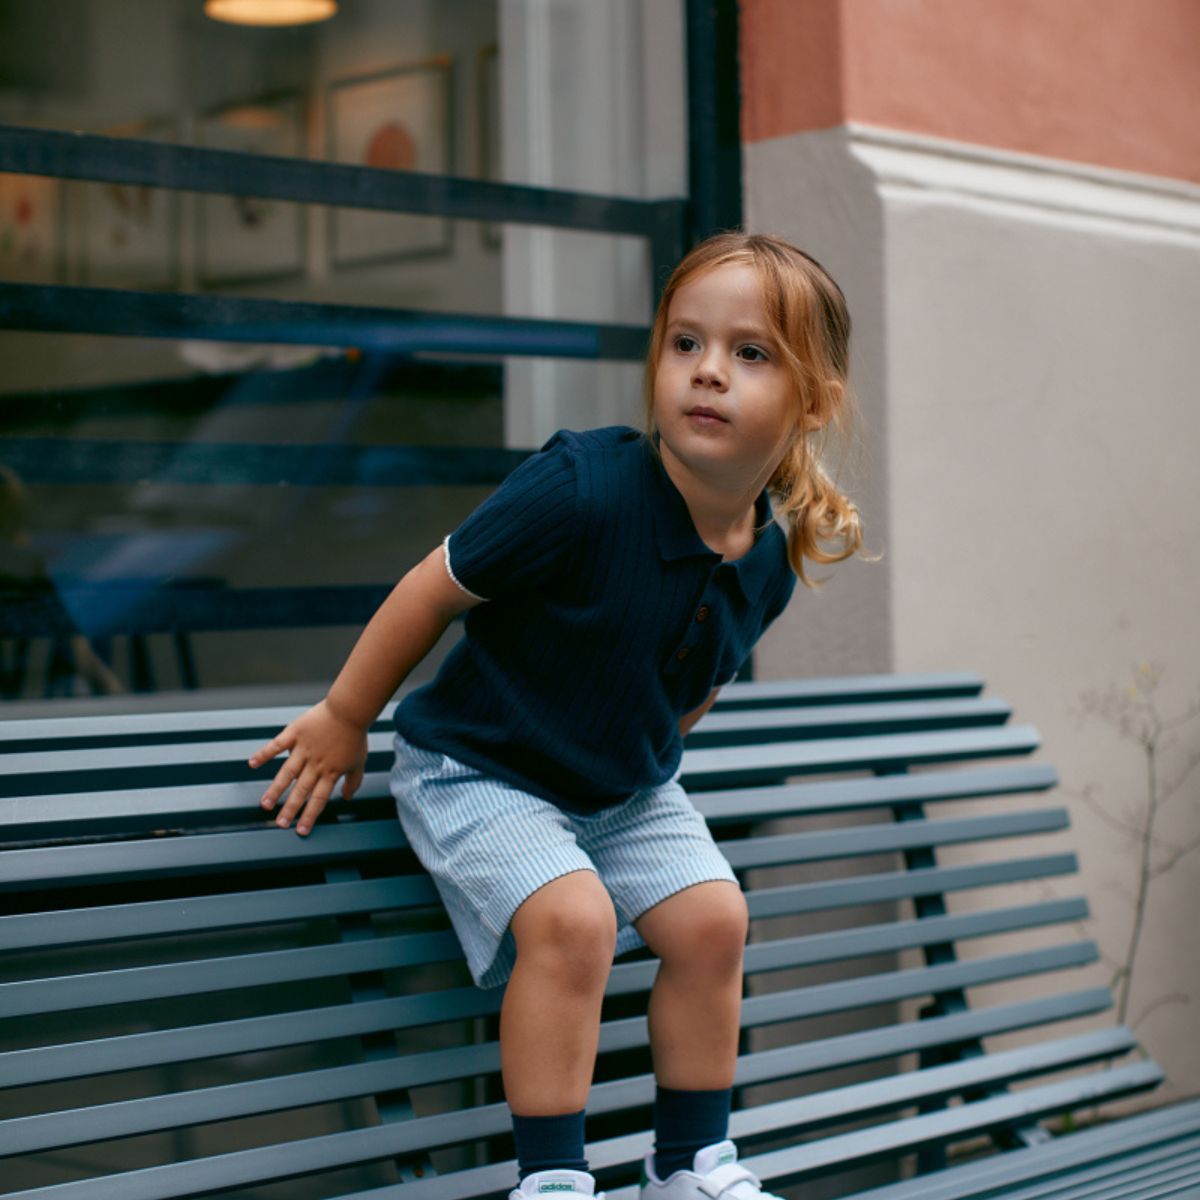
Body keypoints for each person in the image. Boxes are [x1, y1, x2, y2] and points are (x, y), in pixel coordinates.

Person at [248, 231, 873, 1200]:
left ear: (813, 400)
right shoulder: (582, 487)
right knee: (574, 919)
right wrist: (345, 713)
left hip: (619, 788)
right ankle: (551, 1180)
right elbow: (433, 589)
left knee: (715, 919)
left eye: (750, 354)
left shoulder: (765, 558)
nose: (708, 373)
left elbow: (692, 685)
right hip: (480, 769)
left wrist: (637, 767)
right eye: (685, 343)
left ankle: (687, 1165)